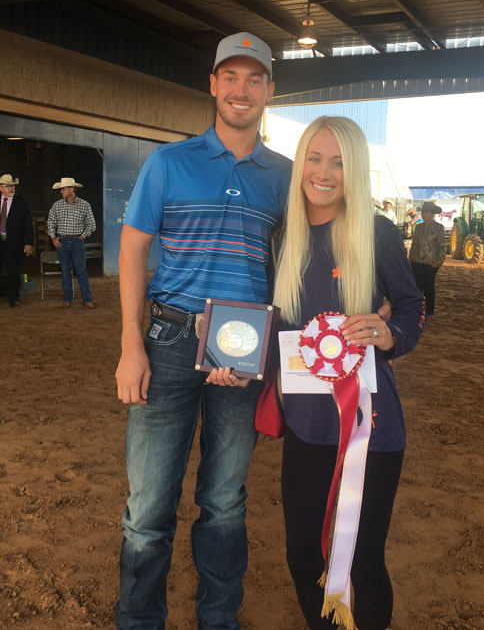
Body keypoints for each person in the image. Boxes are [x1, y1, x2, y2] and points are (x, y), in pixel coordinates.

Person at [114, 32, 293, 630]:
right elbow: (133, 249)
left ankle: (218, 620)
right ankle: (139, 620)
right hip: (168, 341)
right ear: (213, 84)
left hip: (244, 348)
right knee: (148, 507)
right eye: (231, 77)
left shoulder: (285, 176)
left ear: (269, 90)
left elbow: (309, 256)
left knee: (223, 501)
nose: (242, 89)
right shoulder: (169, 163)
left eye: (254, 79)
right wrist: (131, 344)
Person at [263, 116, 424, 630]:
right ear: (300, 165)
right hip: (305, 426)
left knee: (362, 560)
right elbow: (273, 327)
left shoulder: (376, 232)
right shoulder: (280, 238)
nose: (324, 172)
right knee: (302, 553)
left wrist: (391, 334)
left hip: (371, 427)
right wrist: (236, 362)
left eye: (338, 162)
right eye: (314, 158)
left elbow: (412, 304)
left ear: (354, 171)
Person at [47, 177, 96, 308]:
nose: (61, 191)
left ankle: (86, 299)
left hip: (76, 241)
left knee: (81, 271)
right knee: (65, 271)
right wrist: (53, 238)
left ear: (71, 189)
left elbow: (91, 224)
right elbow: (50, 222)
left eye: (63, 189)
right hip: (62, 241)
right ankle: (68, 298)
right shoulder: (57, 205)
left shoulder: (84, 205)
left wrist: (82, 236)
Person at [0, 173, 33, 307]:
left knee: (13, 271)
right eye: (8, 186)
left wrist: (29, 242)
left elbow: (28, 224)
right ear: (1, 187)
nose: (11, 188)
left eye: (12, 186)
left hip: (15, 242)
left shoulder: (22, 203)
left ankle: (13, 298)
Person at [409, 200, 446, 318]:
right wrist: (411, 259)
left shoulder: (439, 227)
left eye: (427, 212)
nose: (424, 214)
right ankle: (418, 310)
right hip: (416, 262)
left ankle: (429, 311)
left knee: (429, 287)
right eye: (423, 212)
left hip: (431, 263)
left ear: (432, 214)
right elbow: (414, 244)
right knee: (417, 287)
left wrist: (438, 262)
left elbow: (442, 246)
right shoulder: (418, 227)